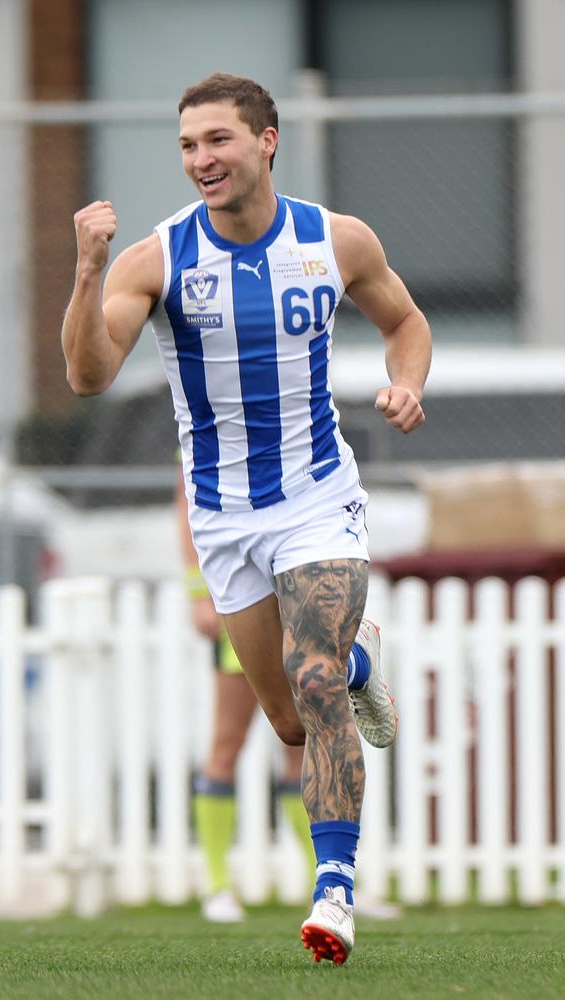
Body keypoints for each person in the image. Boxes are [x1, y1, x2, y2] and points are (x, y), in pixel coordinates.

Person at [62, 72, 431, 965]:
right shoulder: (158, 258)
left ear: (267, 141)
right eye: (188, 146)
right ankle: (359, 658)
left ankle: (333, 891)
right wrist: (86, 273)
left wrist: (407, 383)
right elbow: (86, 375)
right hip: (226, 518)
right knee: (295, 719)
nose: (201, 161)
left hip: (316, 498)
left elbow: (405, 319)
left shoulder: (335, 240)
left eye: (218, 141)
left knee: (311, 679)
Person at [176, 468, 316, 923]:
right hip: (242, 598)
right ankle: (217, 885)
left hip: (289, 592)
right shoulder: (202, 413)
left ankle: (327, 883)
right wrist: (199, 591)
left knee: (302, 745)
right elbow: (186, 505)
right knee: (227, 744)